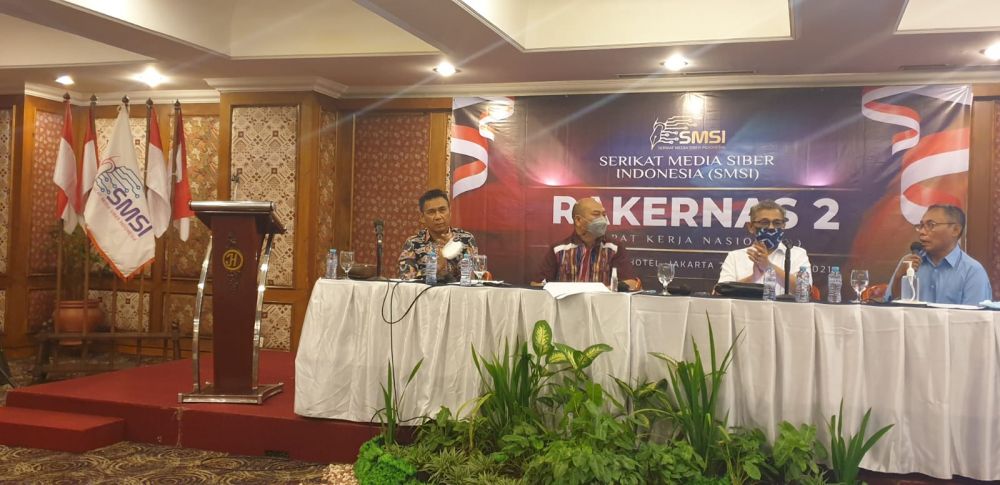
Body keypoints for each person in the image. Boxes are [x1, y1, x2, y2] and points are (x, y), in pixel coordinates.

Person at [886, 204, 991, 305]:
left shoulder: (972, 271)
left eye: (930, 225)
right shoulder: (909, 262)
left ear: (955, 230)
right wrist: (899, 277)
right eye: (921, 226)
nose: (922, 232)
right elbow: (890, 310)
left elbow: (975, 316)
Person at [533, 197, 640, 290]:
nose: (603, 220)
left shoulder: (614, 248)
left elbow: (632, 283)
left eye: (604, 215)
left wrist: (602, 290)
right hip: (567, 305)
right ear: (578, 220)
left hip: (602, 304)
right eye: (596, 214)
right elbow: (536, 284)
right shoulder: (558, 250)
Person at [718, 199, 811, 294]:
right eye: (764, 222)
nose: (771, 227)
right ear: (751, 227)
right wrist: (753, 278)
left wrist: (769, 266)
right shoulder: (735, 257)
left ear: (783, 226)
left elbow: (805, 292)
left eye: (777, 223)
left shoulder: (797, 254)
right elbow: (720, 292)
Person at [398, 189, 477, 282]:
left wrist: (450, 255)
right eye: (431, 212)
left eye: (442, 210)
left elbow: (472, 278)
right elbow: (406, 279)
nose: (438, 217)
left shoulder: (466, 239)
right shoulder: (413, 243)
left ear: (450, 212)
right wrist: (435, 269)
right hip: (426, 291)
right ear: (422, 217)